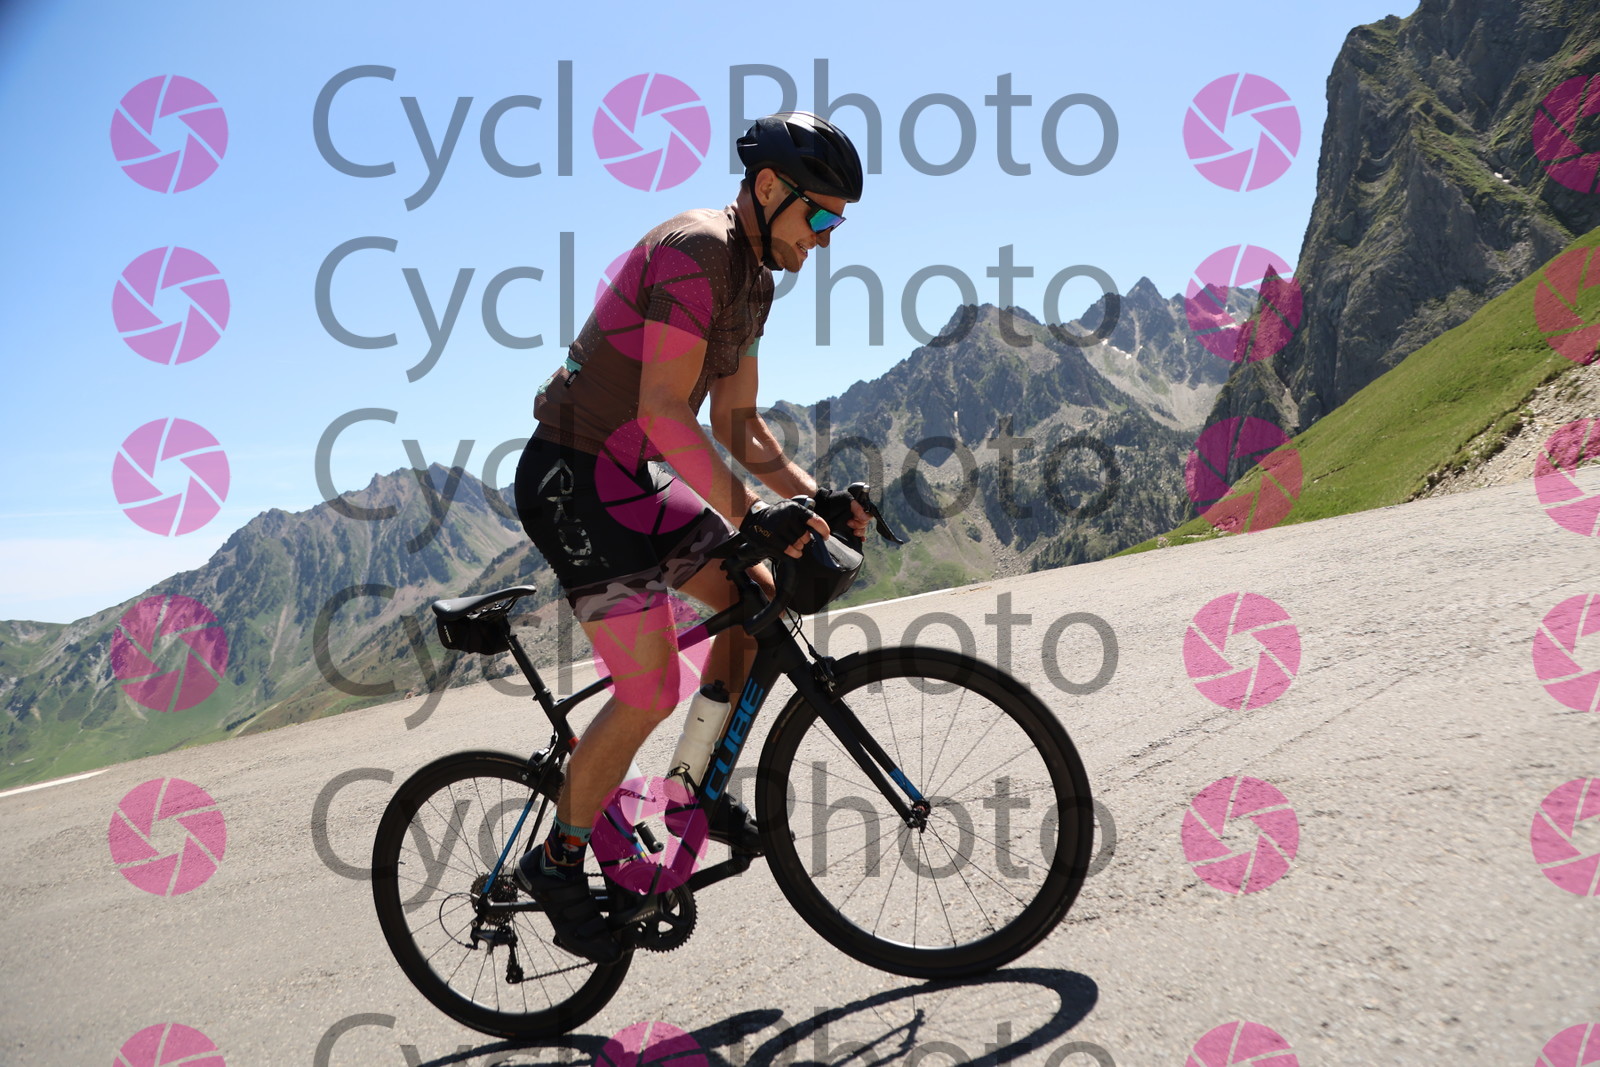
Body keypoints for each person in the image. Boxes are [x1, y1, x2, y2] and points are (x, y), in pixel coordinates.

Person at [511, 112, 869, 963]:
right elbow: (664, 410)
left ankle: (686, 790)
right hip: (571, 477)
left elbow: (739, 426)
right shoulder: (698, 251)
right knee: (650, 685)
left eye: (838, 224)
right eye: (820, 215)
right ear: (769, 188)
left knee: (758, 598)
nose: (826, 238)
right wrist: (753, 513)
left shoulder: (755, 281)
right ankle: (558, 859)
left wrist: (814, 498)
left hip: (631, 476)